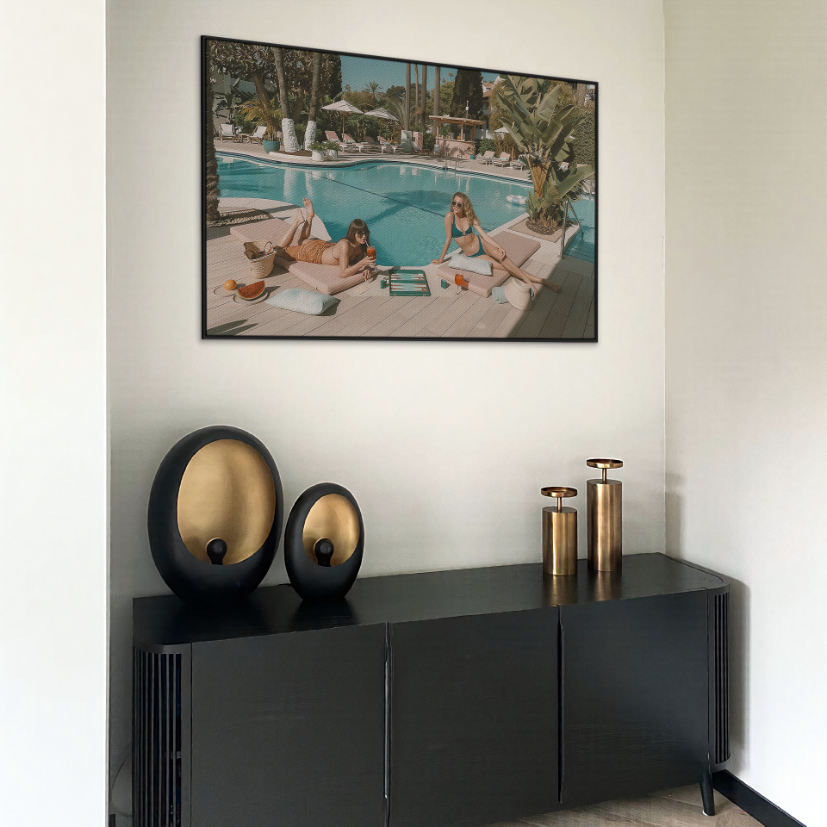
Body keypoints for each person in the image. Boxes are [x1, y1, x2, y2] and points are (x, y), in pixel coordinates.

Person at [431, 192, 561, 294]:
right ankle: (541, 281)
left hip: (481, 243)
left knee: (501, 256)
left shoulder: (469, 217)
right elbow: (448, 240)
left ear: (464, 206)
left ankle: (533, 283)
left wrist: (499, 246)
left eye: (459, 204)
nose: (455, 206)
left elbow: (484, 235)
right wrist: (441, 259)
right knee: (505, 267)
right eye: (454, 202)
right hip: (474, 255)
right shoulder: (449, 217)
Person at [267, 198, 374, 279]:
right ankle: (296, 222)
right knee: (276, 250)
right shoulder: (345, 245)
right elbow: (343, 273)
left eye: (365, 233)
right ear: (353, 234)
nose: (364, 236)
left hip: (324, 246)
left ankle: (309, 216)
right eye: (360, 233)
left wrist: (367, 267)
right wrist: (362, 263)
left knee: (301, 240)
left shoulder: (362, 245)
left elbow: (364, 260)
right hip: (314, 253)